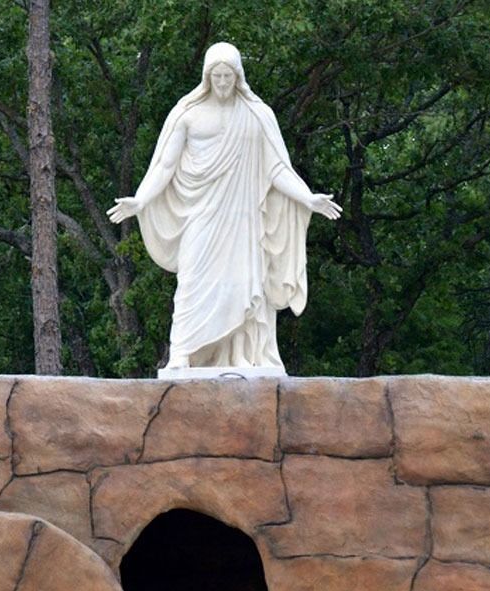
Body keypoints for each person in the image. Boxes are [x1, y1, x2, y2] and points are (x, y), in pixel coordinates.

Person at [107, 42, 341, 372]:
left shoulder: (257, 116)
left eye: (227, 75)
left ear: (238, 76)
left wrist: (307, 198)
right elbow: (164, 166)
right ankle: (182, 353)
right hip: (201, 216)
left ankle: (244, 355)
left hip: (243, 220)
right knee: (192, 281)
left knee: (241, 285)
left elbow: (277, 169)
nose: (221, 82)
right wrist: (141, 199)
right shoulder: (187, 115)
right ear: (206, 76)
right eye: (215, 75)